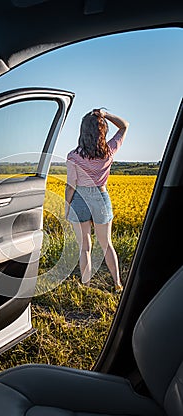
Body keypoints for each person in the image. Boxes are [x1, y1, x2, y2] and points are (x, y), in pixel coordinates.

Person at [65, 108, 129, 292]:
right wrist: (105, 114)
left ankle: (86, 285)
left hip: (80, 199)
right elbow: (124, 126)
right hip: (101, 197)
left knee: (84, 247)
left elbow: (71, 186)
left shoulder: (73, 156)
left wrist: (66, 207)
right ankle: (117, 284)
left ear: (82, 131)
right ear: (103, 130)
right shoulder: (109, 151)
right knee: (106, 244)